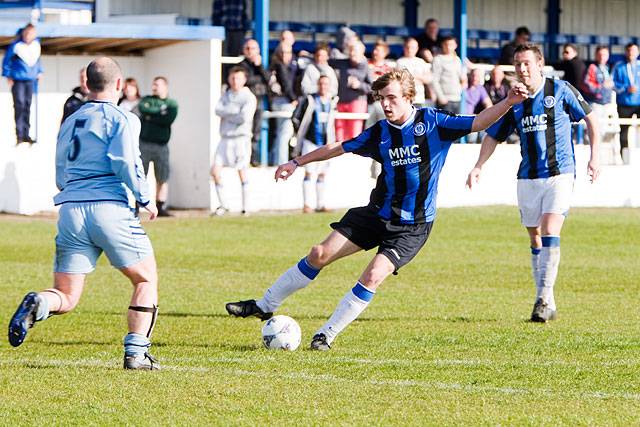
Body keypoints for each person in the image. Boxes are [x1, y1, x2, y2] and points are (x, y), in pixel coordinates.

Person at [225, 68, 528, 350]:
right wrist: (296, 162)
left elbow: (478, 122)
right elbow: (339, 147)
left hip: (412, 226)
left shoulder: (434, 123)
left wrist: (509, 101)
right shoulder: (380, 132)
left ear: (410, 98)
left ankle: (325, 335)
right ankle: (264, 305)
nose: (385, 104)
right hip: (376, 214)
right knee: (319, 253)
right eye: (382, 99)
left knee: (373, 275)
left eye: (392, 98)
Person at [7, 57, 160, 370]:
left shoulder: (71, 119)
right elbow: (125, 161)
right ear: (119, 84)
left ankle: (39, 302)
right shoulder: (122, 117)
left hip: (71, 210)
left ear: (87, 84)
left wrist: (70, 191)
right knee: (146, 280)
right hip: (109, 208)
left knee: (66, 296)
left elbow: (60, 166)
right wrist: (147, 198)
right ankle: (136, 353)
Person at [466, 44, 600, 323]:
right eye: (517, 64)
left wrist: (594, 157)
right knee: (535, 236)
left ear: (540, 64)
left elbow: (591, 118)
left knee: (551, 228)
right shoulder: (513, 101)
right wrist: (479, 165)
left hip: (560, 173)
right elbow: (493, 135)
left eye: (526, 63)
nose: (522, 69)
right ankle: (547, 301)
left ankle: (542, 298)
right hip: (527, 177)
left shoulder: (560, 89)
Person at [212, 66, 257, 216]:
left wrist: (228, 113)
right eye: (232, 78)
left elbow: (244, 117)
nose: (234, 81)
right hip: (225, 138)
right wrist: (233, 112)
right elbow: (218, 110)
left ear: (244, 79)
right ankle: (223, 205)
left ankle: (246, 207)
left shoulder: (248, 97)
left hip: (241, 138)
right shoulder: (226, 94)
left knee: (242, 172)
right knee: (215, 171)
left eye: (238, 78)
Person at [291, 74, 338, 213]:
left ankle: (321, 204)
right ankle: (307, 204)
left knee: (322, 173)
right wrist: (299, 134)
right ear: (318, 85)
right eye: (321, 84)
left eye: (326, 84)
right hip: (310, 141)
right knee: (309, 172)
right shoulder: (310, 100)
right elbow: (296, 118)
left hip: (326, 143)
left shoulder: (332, 101)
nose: (323, 86)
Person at [138, 76, 179, 217]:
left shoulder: (171, 103)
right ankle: (137, 205)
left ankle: (160, 205)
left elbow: (168, 119)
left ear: (165, 87)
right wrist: (159, 114)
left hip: (161, 145)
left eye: (158, 85)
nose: (154, 87)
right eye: (153, 84)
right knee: (140, 175)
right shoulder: (146, 100)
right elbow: (143, 109)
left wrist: (151, 116)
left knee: (162, 176)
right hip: (144, 143)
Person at [2, 23, 42, 145]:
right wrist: (8, 75)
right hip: (18, 79)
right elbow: (6, 61)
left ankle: (26, 133)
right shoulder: (16, 46)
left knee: (27, 106)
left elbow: (38, 61)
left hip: (30, 80)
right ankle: (19, 134)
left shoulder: (36, 46)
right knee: (19, 105)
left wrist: (40, 72)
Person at [330, 40, 372, 141]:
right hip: (341, 102)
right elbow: (327, 61)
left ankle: (353, 156)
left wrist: (359, 85)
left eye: (355, 51)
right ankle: (339, 156)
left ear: (362, 53)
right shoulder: (344, 62)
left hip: (357, 103)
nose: (353, 53)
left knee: (354, 135)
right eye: (351, 50)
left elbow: (372, 87)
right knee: (339, 135)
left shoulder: (366, 66)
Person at [238, 39, 270, 165]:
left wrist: (259, 66)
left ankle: (253, 157)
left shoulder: (261, 65)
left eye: (253, 49)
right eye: (248, 48)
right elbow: (246, 81)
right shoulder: (241, 65)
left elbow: (268, 79)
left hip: (259, 101)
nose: (250, 52)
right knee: (245, 129)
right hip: (246, 102)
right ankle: (244, 156)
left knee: (256, 131)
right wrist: (259, 79)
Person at [269, 45, 298, 165]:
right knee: (285, 134)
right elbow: (286, 85)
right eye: (283, 52)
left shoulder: (281, 66)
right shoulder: (280, 66)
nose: (285, 55)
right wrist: (293, 99)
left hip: (278, 102)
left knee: (281, 132)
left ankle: (274, 159)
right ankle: (281, 162)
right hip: (283, 102)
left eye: (288, 53)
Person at [582, 45, 616, 146]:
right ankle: (591, 152)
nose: (602, 57)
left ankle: (599, 152)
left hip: (607, 103)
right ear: (596, 55)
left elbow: (613, 84)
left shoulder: (608, 68)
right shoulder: (592, 68)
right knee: (593, 129)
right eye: (600, 54)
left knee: (604, 130)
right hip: (596, 104)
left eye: (604, 54)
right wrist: (601, 88)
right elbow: (586, 84)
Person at [612, 42, 640, 163]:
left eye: (633, 51)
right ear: (625, 52)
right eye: (629, 51)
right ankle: (624, 158)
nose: (631, 53)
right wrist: (625, 88)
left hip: (639, 103)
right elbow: (613, 83)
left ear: (637, 52)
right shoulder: (619, 66)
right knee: (624, 130)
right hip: (624, 103)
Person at [432, 35, 466, 114]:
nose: (448, 47)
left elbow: (462, 78)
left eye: (451, 45)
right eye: (446, 44)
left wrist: (460, 89)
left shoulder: (457, 59)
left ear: (455, 46)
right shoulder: (438, 59)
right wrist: (441, 97)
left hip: (457, 99)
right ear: (442, 45)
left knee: (458, 125)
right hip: (445, 99)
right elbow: (434, 80)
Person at [396, 37, 432, 107]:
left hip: (419, 99)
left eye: (412, 47)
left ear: (417, 48)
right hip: (405, 99)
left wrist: (414, 77)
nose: (409, 50)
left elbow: (428, 79)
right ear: (404, 48)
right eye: (407, 47)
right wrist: (419, 78)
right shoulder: (399, 62)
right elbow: (400, 80)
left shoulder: (421, 62)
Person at [463, 68, 492, 143]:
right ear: (469, 76)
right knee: (472, 135)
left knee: (485, 130)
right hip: (461, 116)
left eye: (477, 76)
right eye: (473, 75)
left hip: (471, 118)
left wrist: (486, 116)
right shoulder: (464, 86)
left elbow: (488, 104)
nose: (475, 78)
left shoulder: (480, 88)